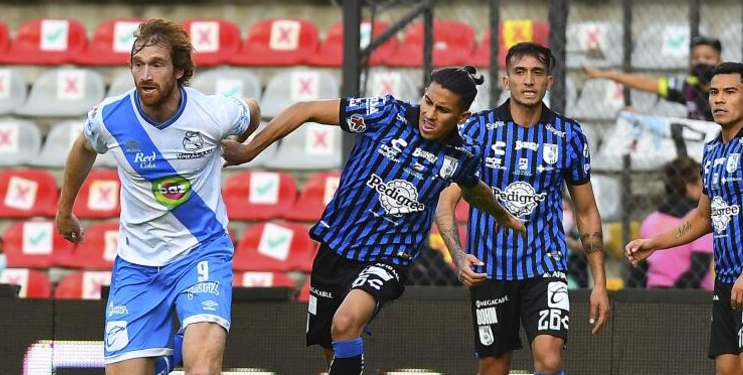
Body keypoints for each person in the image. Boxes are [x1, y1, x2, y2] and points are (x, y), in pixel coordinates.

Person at [221, 66, 525, 375]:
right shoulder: (385, 114)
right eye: (428, 102)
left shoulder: (460, 154)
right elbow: (305, 109)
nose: (430, 114)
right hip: (336, 246)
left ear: (462, 117)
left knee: (345, 323)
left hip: (389, 257)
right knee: (334, 347)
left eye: (443, 109)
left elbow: (474, 190)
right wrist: (249, 151)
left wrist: (503, 215)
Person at [55, 19, 260, 375]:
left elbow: (252, 109)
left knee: (203, 366)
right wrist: (64, 210)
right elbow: (83, 148)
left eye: (157, 64)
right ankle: (167, 353)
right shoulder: (111, 117)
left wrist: (243, 147)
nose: (145, 74)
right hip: (138, 263)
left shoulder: (211, 114)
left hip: (201, 250)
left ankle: (179, 348)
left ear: (180, 69)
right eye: (138, 64)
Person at [436, 43, 609, 375]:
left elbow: (586, 211)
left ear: (550, 82)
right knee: (493, 366)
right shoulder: (478, 130)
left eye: (537, 73)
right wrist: (458, 255)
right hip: (490, 268)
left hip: (545, 264)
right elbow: (446, 200)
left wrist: (599, 281)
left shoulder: (569, 135)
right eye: (520, 72)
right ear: (506, 80)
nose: (529, 81)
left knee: (550, 356)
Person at [627, 62, 743, 375]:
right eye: (715, 92)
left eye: (730, 92)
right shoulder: (711, 151)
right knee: (728, 370)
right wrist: (656, 243)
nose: (719, 99)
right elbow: (703, 218)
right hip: (728, 276)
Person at [583, 36, 722, 121]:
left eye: (708, 58)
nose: (701, 62)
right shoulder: (684, 86)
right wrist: (605, 74)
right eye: (695, 58)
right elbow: (645, 83)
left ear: (719, 61)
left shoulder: (729, 87)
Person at [628, 156, 714, 290]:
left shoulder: (651, 220)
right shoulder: (701, 220)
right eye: (702, 184)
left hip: (653, 294)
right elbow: (698, 269)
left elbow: (640, 269)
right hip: (693, 296)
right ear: (691, 187)